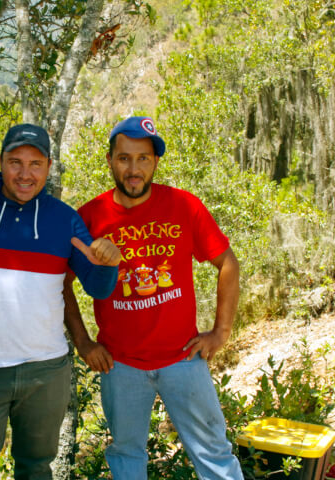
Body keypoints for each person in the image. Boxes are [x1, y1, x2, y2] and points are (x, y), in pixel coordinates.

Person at [0, 123, 121, 480]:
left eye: (35, 164)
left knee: (36, 470)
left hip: (46, 372)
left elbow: (98, 288)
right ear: (0, 162)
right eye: (15, 162)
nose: (25, 174)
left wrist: (108, 264)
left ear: (49, 166)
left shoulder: (65, 219)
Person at [63, 116, 243, 480]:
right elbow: (61, 283)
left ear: (155, 161)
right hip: (121, 365)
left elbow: (227, 263)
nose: (134, 169)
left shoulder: (183, 206)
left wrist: (220, 332)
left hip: (183, 359)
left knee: (214, 454)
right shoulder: (90, 217)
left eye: (143, 158)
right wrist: (83, 342)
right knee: (126, 455)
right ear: (110, 160)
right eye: (124, 158)